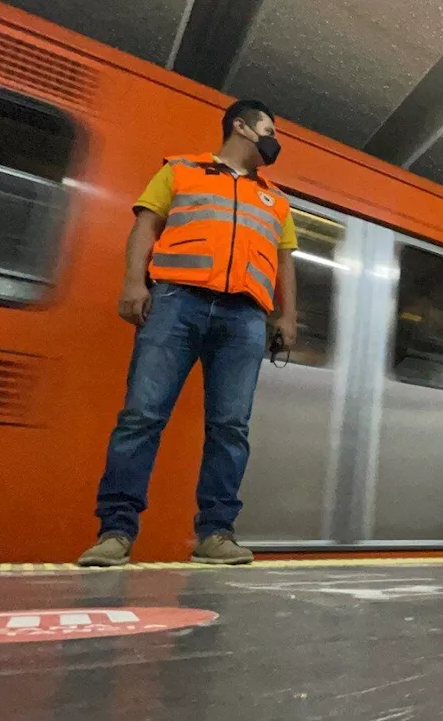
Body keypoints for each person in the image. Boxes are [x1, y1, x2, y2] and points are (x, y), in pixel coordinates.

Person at [77, 99, 299, 567]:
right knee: (142, 416)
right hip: (177, 303)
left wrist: (286, 316)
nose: (275, 139)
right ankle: (116, 531)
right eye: (269, 127)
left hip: (245, 318)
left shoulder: (275, 200)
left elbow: (284, 262)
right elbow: (145, 226)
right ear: (241, 126)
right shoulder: (180, 171)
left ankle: (216, 533)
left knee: (230, 427)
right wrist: (134, 282)